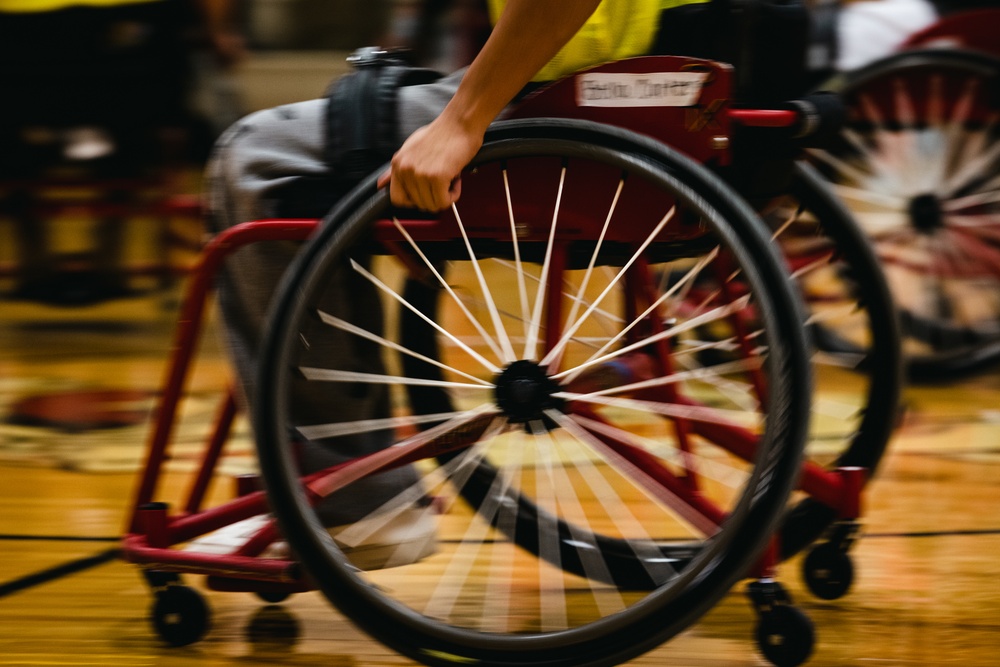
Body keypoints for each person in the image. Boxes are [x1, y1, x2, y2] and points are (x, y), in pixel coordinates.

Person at [195, 0, 717, 567]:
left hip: (587, 102)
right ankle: (341, 478)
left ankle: (356, 500)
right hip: (669, 98)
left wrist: (462, 121)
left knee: (251, 157)